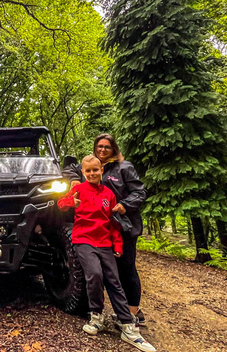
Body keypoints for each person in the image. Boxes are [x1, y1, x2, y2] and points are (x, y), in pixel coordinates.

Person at [57, 155, 155, 352]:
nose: (92, 174)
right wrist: (71, 202)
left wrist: (117, 244)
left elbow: (113, 222)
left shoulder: (109, 194)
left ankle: (128, 326)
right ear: (83, 172)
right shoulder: (78, 189)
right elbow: (60, 204)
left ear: (101, 170)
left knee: (114, 280)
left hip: (104, 242)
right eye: (88, 171)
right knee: (94, 274)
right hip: (83, 239)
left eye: (95, 170)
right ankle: (96, 315)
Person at [62, 133, 148, 325]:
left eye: (106, 147)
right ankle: (116, 311)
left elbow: (140, 192)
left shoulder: (124, 167)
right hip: (104, 227)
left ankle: (133, 312)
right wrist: (75, 180)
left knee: (127, 267)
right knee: (112, 272)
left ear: (114, 149)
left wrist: (125, 204)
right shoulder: (93, 166)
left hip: (124, 224)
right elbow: (69, 169)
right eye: (99, 146)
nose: (102, 150)